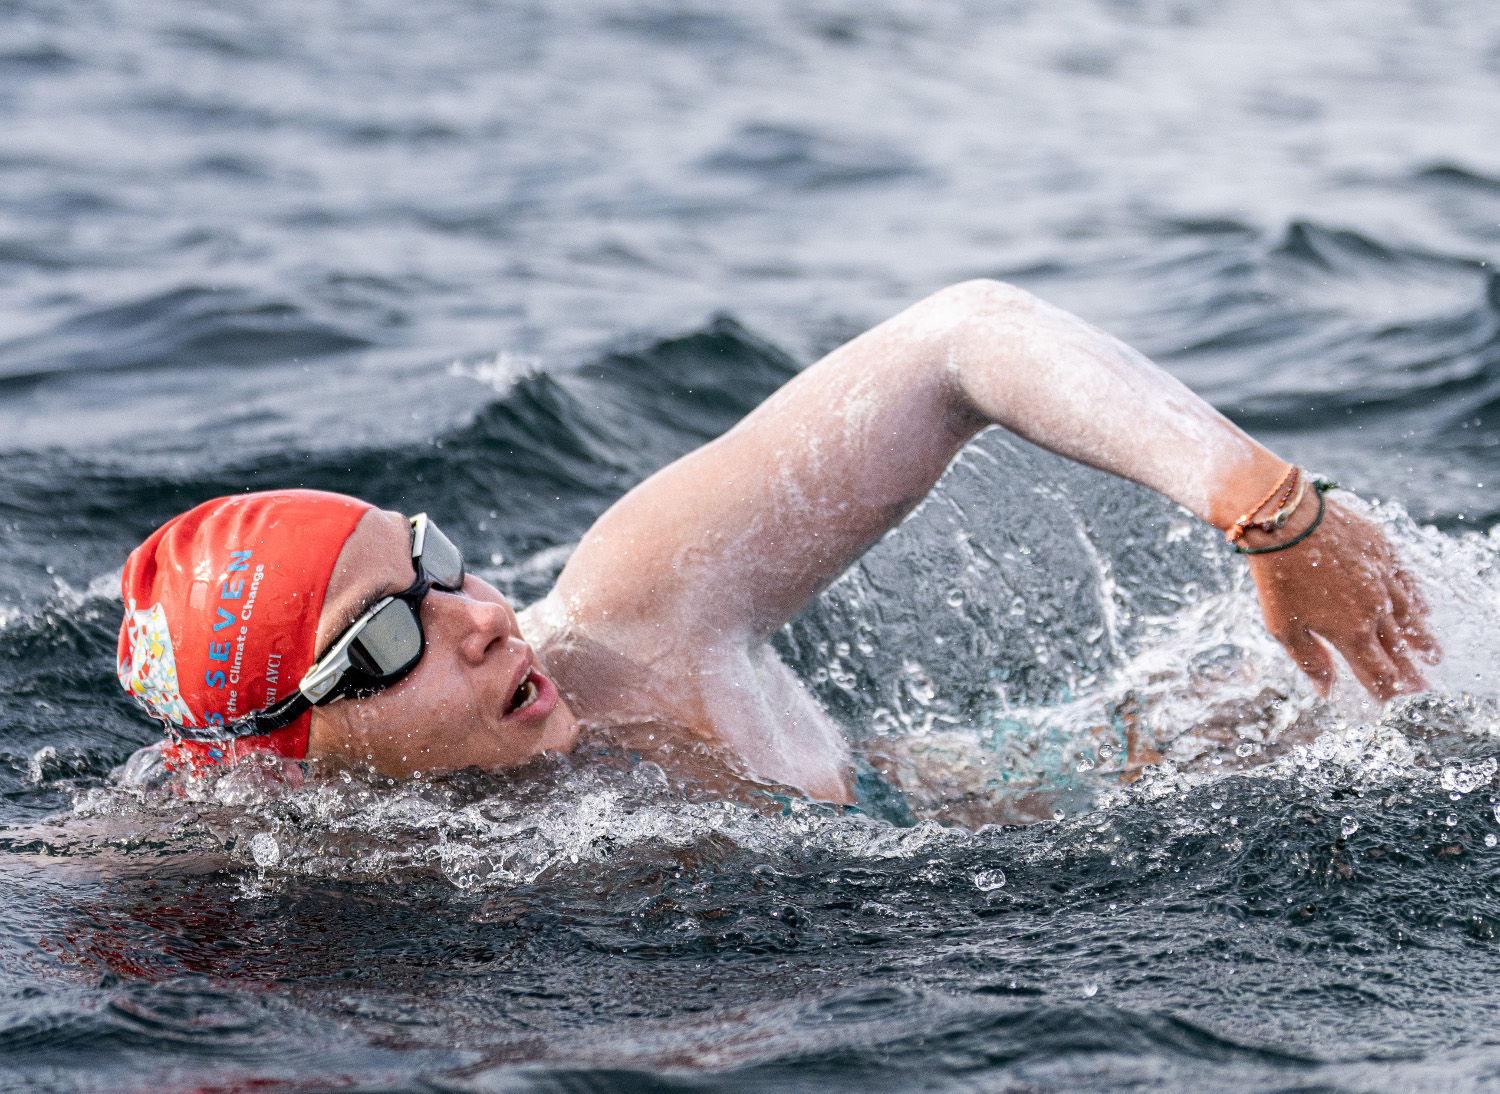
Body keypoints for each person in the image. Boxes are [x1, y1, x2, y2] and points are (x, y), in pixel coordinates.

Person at [117, 280, 1439, 804]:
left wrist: (1271, 510)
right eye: (385, 636)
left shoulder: (633, 624)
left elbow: (961, 340)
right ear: (283, 750)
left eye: (436, 559)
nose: (481, 615)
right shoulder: (276, 872)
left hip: (1025, 812)